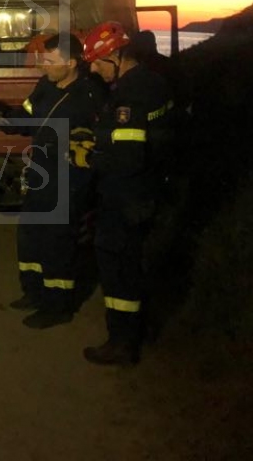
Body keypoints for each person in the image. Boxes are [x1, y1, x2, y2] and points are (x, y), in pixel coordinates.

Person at [0, 33, 105, 329]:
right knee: (30, 235)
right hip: (40, 172)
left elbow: (103, 144)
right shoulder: (45, 86)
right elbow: (26, 119)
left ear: (71, 63)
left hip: (69, 178)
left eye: (50, 60)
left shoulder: (90, 95)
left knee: (57, 242)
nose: (43, 65)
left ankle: (58, 306)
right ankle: (34, 292)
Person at [81, 21, 175, 365]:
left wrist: (89, 157)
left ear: (116, 56)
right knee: (133, 264)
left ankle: (121, 343)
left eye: (97, 62)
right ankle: (137, 331)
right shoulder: (153, 82)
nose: (94, 70)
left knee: (118, 270)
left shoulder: (130, 96)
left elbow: (128, 158)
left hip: (125, 197)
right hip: (147, 190)